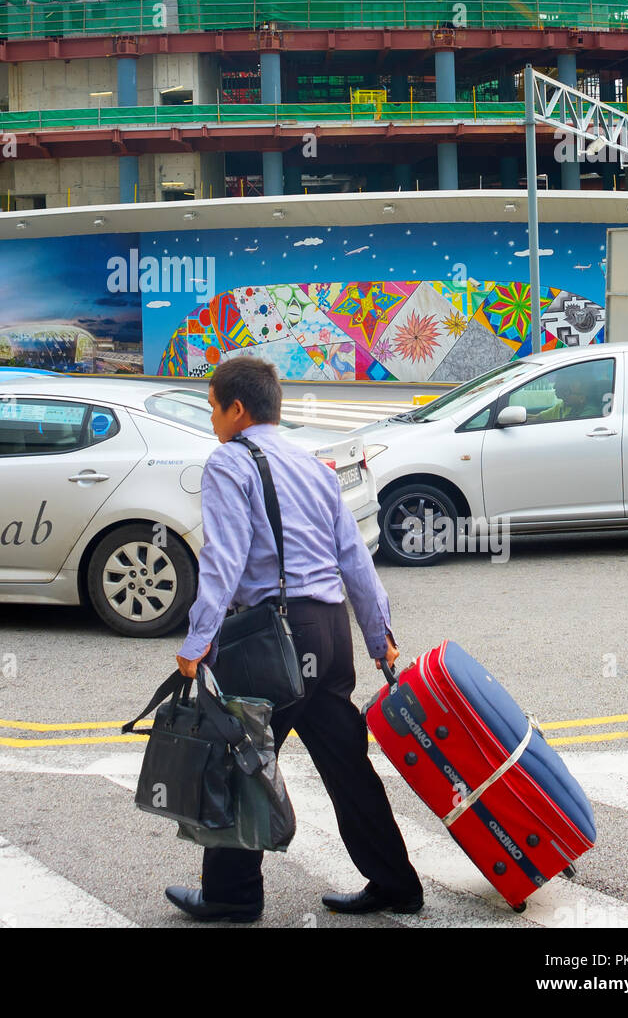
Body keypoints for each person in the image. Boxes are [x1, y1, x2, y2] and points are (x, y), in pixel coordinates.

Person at [164, 355, 423, 923]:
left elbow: (224, 558)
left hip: (271, 637)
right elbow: (354, 557)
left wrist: (197, 640)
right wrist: (379, 637)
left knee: (239, 758)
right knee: (347, 764)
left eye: (213, 406)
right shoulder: (313, 466)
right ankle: (396, 883)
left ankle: (232, 897)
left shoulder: (230, 463)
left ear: (237, 409)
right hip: (328, 633)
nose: (212, 419)